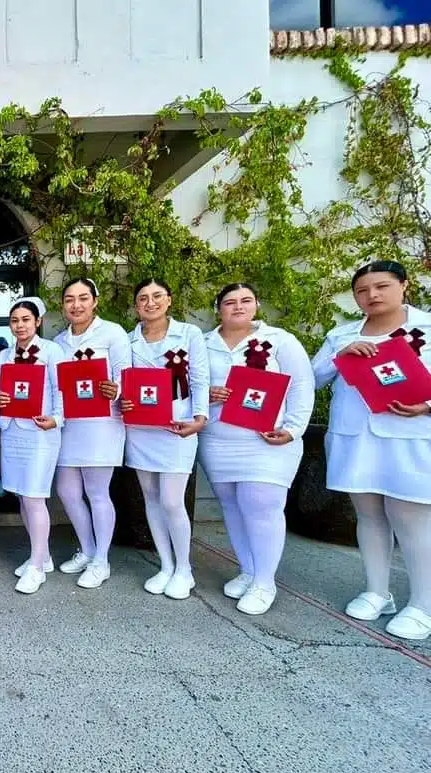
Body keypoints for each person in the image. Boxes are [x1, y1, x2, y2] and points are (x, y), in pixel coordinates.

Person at [312, 260, 431, 640]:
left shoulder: (427, 328)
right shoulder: (341, 334)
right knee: (369, 515)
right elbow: (310, 379)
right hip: (356, 438)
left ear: (404, 285)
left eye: (381, 287)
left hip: (410, 437)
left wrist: (427, 405)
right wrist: (342, 353)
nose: (372, 296)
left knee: (409, 518)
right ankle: (378, 591)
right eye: (362, 291)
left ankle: (422, 604)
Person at [200, 283, 314, 615]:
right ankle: (248, 570)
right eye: (230, 302)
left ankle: (265, 582)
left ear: (257, 304)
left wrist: (293, 429)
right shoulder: (204, 343)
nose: (238, 307)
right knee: (232, 505)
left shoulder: (280, 340)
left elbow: (302, 386)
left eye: (246, 300)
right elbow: (188, 385)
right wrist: (206, 394)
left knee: (261, 503)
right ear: (218, 307)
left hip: (266, 439)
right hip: (218, 439)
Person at [122, 279, 209, 600]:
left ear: (169, 300)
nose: (150, 303)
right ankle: (166, 564)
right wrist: (122, 401)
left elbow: (200, 377)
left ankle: (184, 568)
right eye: (143, 298)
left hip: (177, 426)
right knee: (151, 497)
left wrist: (199, 416)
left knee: (173, 500)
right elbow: (121, 381)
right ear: (136, 306)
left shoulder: (189, 335)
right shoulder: (129, 340)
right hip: (141, 429)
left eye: (157, 296)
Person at [52, 277, 131, 589]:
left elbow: (126, 375)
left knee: (97, 492)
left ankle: (102, 560)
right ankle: (86, 550)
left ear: (94, 301)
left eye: (83, 298)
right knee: (68, 492)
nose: (76, 305)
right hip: (70, 424)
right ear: (63, 305)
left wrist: (117, 389)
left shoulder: (112, 333)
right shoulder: (59, 341)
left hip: (102, 423)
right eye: (70, 299)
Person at [0, 296, 64, 594]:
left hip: (40, 433)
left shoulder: (52, 352)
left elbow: (63, 391)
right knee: (22, 496)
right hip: (12, 432)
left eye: (25, 320)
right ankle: (42, 555)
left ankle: (35, 567)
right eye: (14, 320)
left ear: (38, 322)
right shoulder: (4, 356)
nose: (19, 325)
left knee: (35, 497)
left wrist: (57, 419)